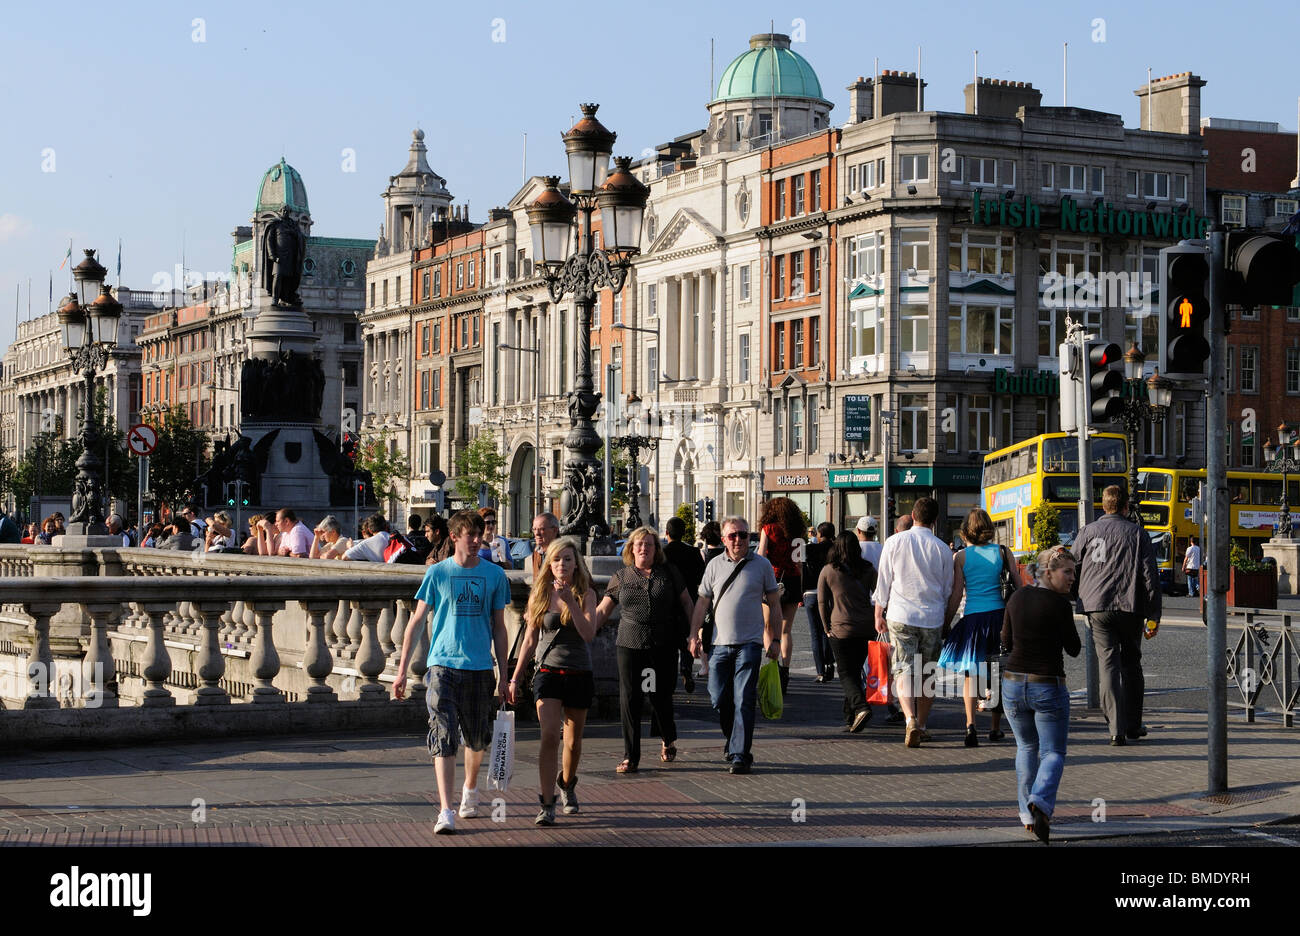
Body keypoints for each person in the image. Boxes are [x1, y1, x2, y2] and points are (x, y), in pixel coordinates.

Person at [393, 510, 510, 836]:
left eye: (479, 534)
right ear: (454, 537)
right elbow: (415, 622)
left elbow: (500, 628)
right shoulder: (438, 573)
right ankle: (445, 810)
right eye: (469, 535)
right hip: (442, 666)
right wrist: (402, 671)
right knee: (443, 735)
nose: (475, 540)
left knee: (476, 737)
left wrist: (504, 675)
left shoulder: (494, 576)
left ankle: (469, 790)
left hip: (479, 666)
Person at [509, 537, 598, 825]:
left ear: (576, 563)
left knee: (573, 743)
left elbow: (588, 634)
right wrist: (514, 678)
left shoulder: (586, 594)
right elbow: (530, 639)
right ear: (550, 563)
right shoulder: (541, 593)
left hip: (579, 673)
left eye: (568, 559)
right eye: (557, 559)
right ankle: (547, 803)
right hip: (548, 672)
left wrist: (571, 602)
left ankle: (567, 783)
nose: (562, 564)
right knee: (549, 735)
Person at [595, 527, 694, 773]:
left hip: (663, 643)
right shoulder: (621, 576)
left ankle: (668, 737)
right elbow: (603, 610)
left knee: (660, 697)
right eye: (639, 544)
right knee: (630, 699)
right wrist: (583, 626)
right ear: (630, 548)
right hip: (629, 643)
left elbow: (687, 602)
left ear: (656, 550)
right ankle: (631, 756)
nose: (643, 548)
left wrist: (695, 633)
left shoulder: (668, 573)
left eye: (649, 544)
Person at [688, 515, 781, 774]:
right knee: (719, 698)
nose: (738, 540)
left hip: (749, 644)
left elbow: (774, 604)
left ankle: (741, 753)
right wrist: (694, 634)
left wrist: (774, 639)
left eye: (743, 535)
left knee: (743, 699)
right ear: (723, 539)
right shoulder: (714, 565)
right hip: (718, 644)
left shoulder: (761, 565)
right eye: (733, 535)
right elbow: (702, 604)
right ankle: (733, 739)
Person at [1001, 545, 1081, 844]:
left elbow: (1006, 641)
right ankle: (1041, 802)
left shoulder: (1017, 596)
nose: (1072, 578)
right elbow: (1073, 649)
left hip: (1012, 683)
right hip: (1047, 684)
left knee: (1025, 747)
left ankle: (1026, 814)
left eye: (1073, 572)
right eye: (1067, 572)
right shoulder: (1060, 605)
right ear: (1048, 572)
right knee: (1053, 752)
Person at [1072, 485, 1161, 746]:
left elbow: (1072, 564)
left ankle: (1115, 728)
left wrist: (1076, 594)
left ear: (1103, 506)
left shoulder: (1088, 532)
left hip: (1096, 605)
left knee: (1108, 664)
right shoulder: (1137, 534)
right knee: (1132, 664)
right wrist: (1154, 614)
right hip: (1129, 604)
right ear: (1125, 507)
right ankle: (1133, 724)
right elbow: (1149, 577)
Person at [873, 497, 954, 748]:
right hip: (931, 617)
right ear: (935, 521)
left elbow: (884, 580)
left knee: (903, 668)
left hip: (900, 615)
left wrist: (879, 612)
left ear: (913, 515)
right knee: (927, 672)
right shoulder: (942, 548)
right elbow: (947, 589)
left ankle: (908, 718)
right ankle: (922, 723)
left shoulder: (895, 542)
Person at [939, 509, 1010, 747]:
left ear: (966, 530)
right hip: (999, 617)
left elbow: (957, 593)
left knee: (971, 674)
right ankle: (995, 727)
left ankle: (970, 726)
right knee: (997, 673)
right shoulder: (1002, 552)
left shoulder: (960, 557)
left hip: (973, 619)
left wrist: (947, 622)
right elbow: (1018, 587)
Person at [817, 531, 878, 732]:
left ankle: (860, 707)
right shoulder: (868, 569)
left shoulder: (828, 571)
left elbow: (822, 602)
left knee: (845, 672)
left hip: (840, 627)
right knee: (854, 670)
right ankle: (850, 717)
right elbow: (879, 596)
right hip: (866, 627)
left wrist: (826, 627)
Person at [756, 496, 805, 694]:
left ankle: (772, 666)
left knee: (768, 627)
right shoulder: (798, 531)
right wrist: (799, 589)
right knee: (786, 630)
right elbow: (800, 563)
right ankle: (785, 671)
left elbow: (761, 555)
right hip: (792, 580)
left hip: (772, 580)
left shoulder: (768, 528)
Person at [663, 516, 706, 691]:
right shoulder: (693, 552)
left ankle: (671, 675)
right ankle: (686, 669)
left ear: (667, 533)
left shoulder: (663, 553)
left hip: (668, 603)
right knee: (688, 638)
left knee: (671, 642)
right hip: (690, 600)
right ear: (684, 533)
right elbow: (700, 579)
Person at [803, 522, 836, 682]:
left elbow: (802, 569)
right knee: (827, 630)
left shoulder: (809, 549)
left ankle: (820, 671)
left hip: (810, 593)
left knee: (815, 633)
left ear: (819, 534)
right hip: (829, 594)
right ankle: (830, 663)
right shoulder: (835, 550)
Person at [528, 512, 560, 578]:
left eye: (542, 529)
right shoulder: (537, 552)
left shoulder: (564, 552)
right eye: (534, 529)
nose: (537, 533)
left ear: (555, 530)